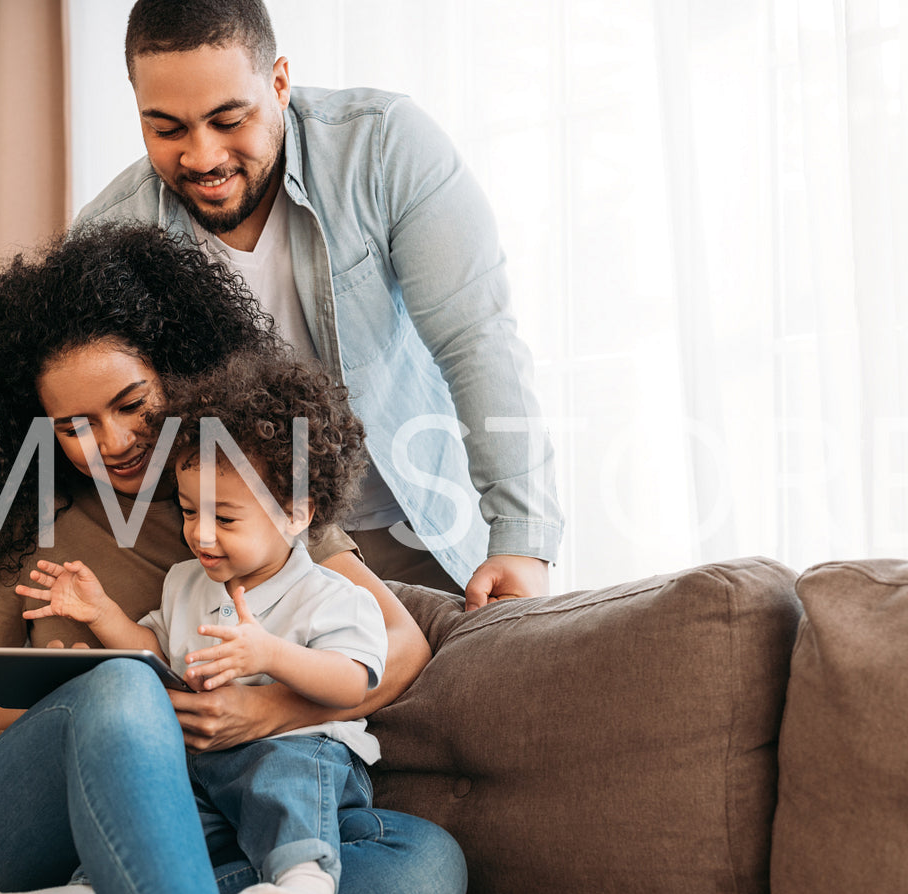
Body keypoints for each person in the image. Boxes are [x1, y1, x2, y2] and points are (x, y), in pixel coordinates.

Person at [0, 222, 466, 894]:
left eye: (130, 404)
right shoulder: (12, 513)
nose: (110, 442)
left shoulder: (252, 482)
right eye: (74, 426)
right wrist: (109, 707)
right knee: (121, 682)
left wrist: (263, 712)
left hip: (209, 800)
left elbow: (398, 644)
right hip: (13, 826)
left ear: (175, 371)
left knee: (424, 867)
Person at [76, 0, 565, 610]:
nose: (202, 158)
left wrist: (521, 539)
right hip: (247, 555)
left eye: (229, 119)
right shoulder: (109, 236)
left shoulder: (383, 146)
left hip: (418, 523)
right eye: (167, 129)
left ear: (278, 82)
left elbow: (477, 341)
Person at [4, 353, 385, 894]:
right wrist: (101, 614)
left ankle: (306, 886)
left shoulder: (331, 596)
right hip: (206, 766)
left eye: (225, 518)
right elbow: (153, 650)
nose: (201, 534)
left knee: (281, 775)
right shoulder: (185, 582)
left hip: (300, 757)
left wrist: (269, 655)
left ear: (295, 514)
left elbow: (353, 684)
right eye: (188, 511)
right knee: (159, 804)